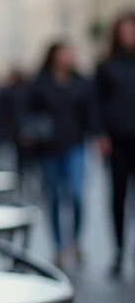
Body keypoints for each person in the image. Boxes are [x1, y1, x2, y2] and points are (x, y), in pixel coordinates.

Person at [21, 42, 98, 268]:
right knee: (53, 196)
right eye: (63, 53)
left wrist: (97, 134)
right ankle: (57, 246)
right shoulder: (40, 82)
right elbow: (27, 111)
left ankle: (74, 239)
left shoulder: (81, 82)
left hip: (75, 145)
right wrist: (27, 131)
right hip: (48, 147)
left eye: (70, 54)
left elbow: (91, 112)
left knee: (76, 194)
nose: (67, 57)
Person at [96, 13, 135, 276]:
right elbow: (96, 103)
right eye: (125, 30)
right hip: (118, 141)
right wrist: (101, 134)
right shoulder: (107, 65)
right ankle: (120, 251)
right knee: (118, 197)